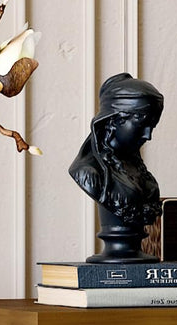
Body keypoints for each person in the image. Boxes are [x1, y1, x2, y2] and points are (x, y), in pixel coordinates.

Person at [69, 72, 164, 228]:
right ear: (114, 120)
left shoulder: (135, 165)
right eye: (142, 126)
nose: (148, 136)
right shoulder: (88, 172)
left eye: (152, 127)